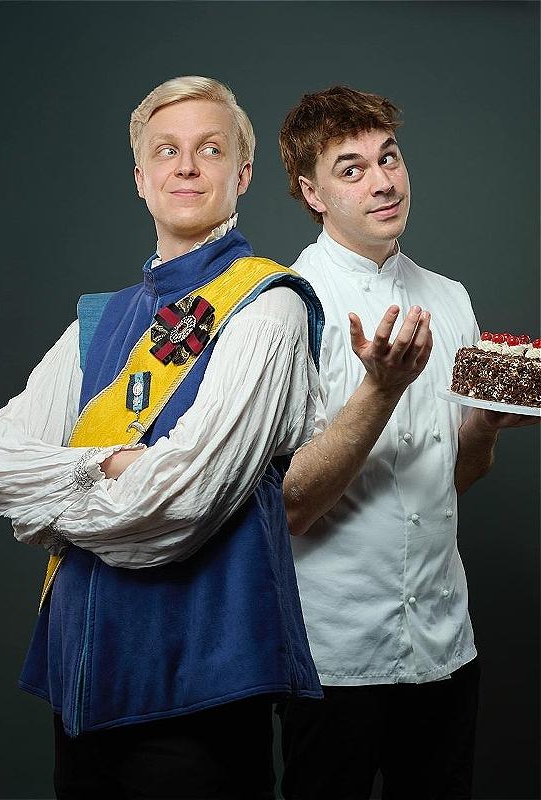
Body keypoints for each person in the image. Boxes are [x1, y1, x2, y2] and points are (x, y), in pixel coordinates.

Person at [0, 75, 325, 800]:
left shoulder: (269, 309)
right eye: (166, 151)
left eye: (210, 148)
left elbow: (176, 508)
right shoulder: (97, 320)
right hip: (80, 684)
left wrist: (47, 506)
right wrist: (108, 463)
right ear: (142, 179)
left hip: (199, 695)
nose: (187, 166)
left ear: (243, 172)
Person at [276, 85, 538, 800]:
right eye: (352, 167)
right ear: (312, 192)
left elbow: (454, 478)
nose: (384, 181)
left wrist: (485, 424)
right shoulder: (287, 306)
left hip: (448, 646)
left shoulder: (450, 298)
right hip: (335, 656)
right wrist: (381, 390)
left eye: (389, 157)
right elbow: (290, 505)